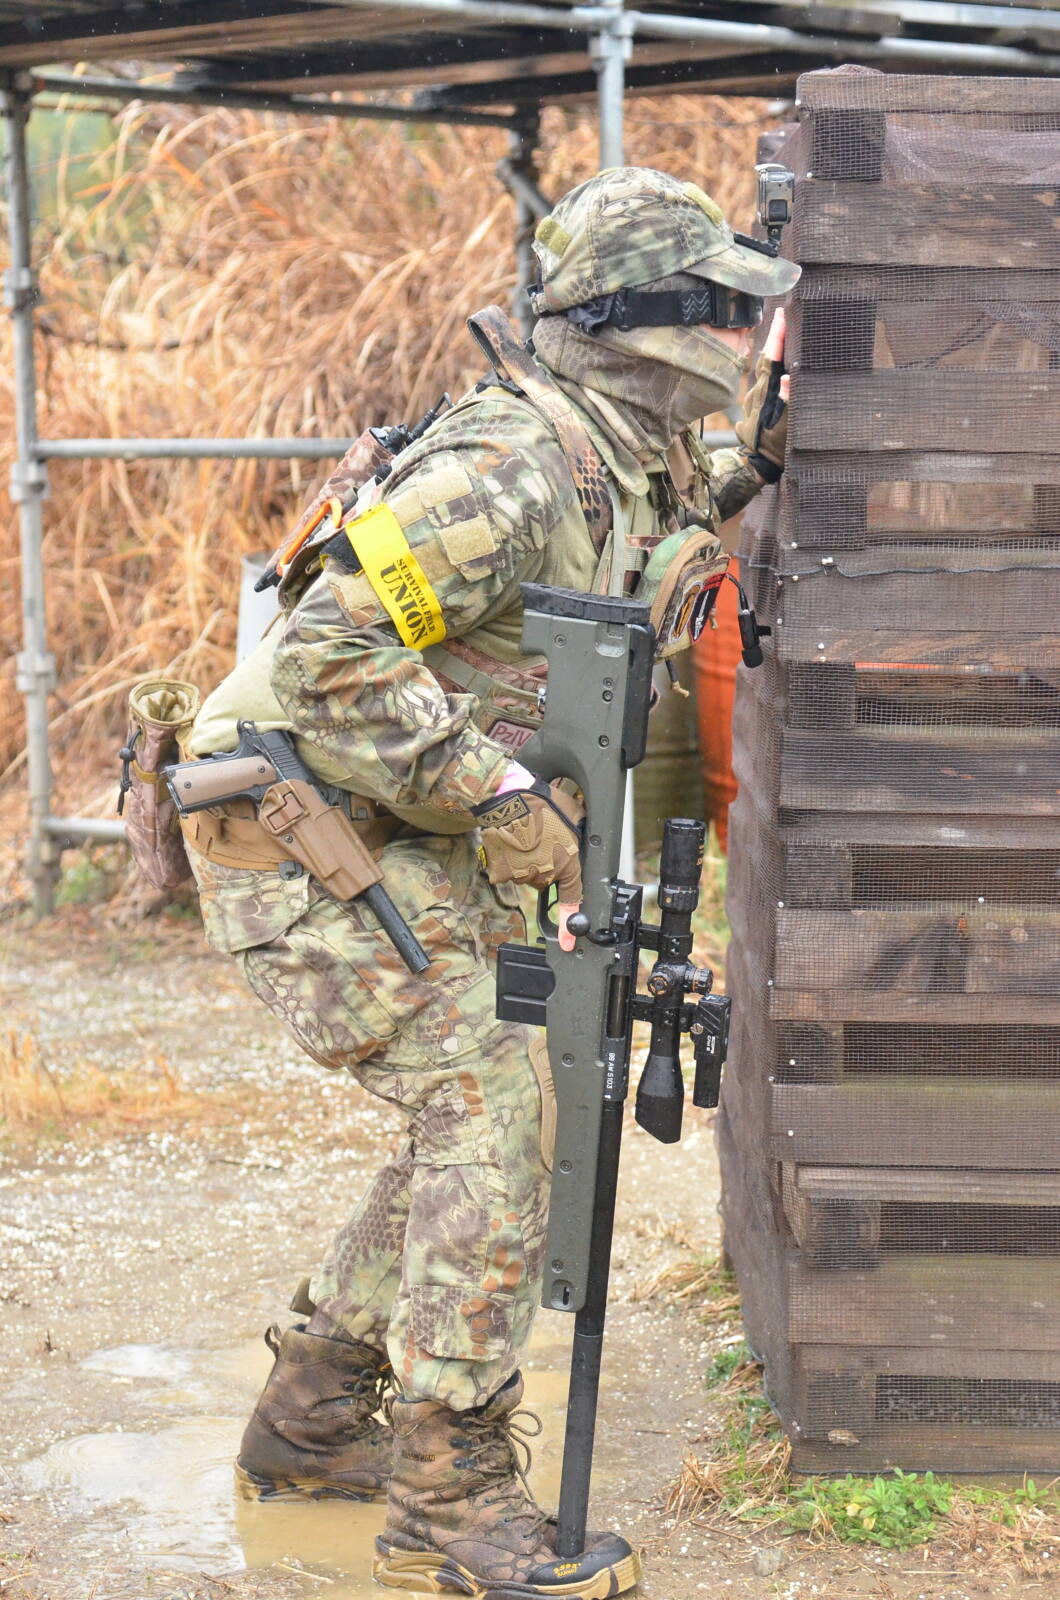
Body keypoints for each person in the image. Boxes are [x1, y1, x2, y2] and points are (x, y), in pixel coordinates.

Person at [182, 165, 798, 1599]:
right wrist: (498, 792)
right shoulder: (509, 467)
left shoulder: (621, 445)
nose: (737, 336)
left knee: (477, 1100)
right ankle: (448, 1502)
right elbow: (326, 657)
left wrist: (756, 459)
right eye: (719, 310)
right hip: (298, 832)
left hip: (387, 825)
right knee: (492, 1104)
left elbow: (655, 519)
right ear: (641, 322)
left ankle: (311, 1422)